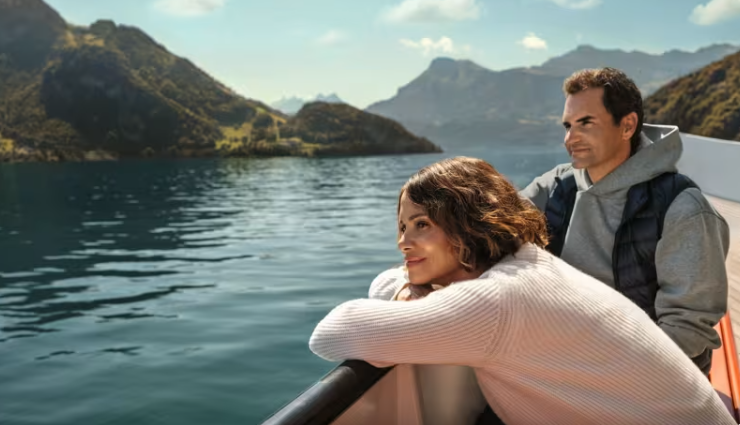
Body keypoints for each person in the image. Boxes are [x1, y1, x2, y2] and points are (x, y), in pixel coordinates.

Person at [309, 157, 735, 425]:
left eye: (423, 224)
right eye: (402, 227)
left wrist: (412, 290)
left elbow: (331, 332)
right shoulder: (528, 265)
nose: (404, 241)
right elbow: (391, 279)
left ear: (469, 222)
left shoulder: (496, 301)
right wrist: (411, 283)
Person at [519, 67, 731, 374]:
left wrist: (599, 370)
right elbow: (492, 222)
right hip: (562, 356)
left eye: (586, 123)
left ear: (628, 125)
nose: (570, 138)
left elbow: (686, 330)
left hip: (647, 375)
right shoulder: (555, 185)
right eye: (568, 125)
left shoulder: (683, 209)